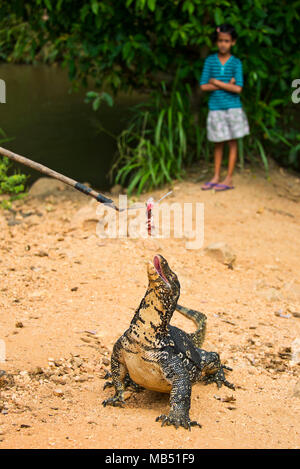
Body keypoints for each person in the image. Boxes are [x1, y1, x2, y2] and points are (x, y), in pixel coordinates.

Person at [199, 24, 249, 191]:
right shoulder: (210, 61)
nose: (223, 44)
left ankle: (228, 178)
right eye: (220, 41)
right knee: (218, 142)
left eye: (227, 41)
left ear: (233, 42)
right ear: (216, 42)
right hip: (216, 108)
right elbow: (203, 86)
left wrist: (216, 82)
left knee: (232, 142)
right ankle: (216, 176)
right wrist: (227, 85)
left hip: (233, 108)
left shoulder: (236, 63)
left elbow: (238, 88)